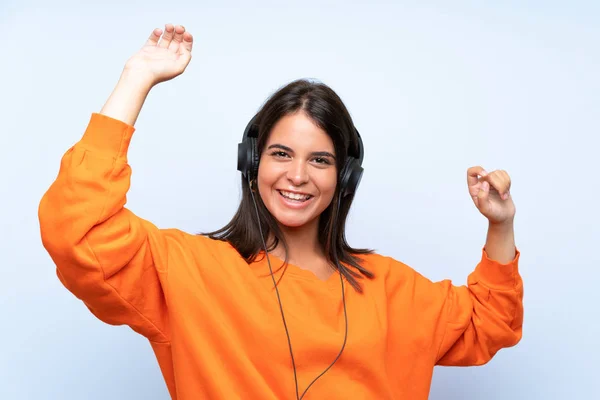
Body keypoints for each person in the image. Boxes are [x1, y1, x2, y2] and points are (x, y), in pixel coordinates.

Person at [38, 24, 523, 400]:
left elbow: (490, 321)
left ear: (344, 178)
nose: (298, 175)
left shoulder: (392, 289)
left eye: (320, 160)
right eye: (281, 154)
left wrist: (500, 223)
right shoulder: (189, 271)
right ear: (252, 163)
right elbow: (77, 228)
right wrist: (136, 79)